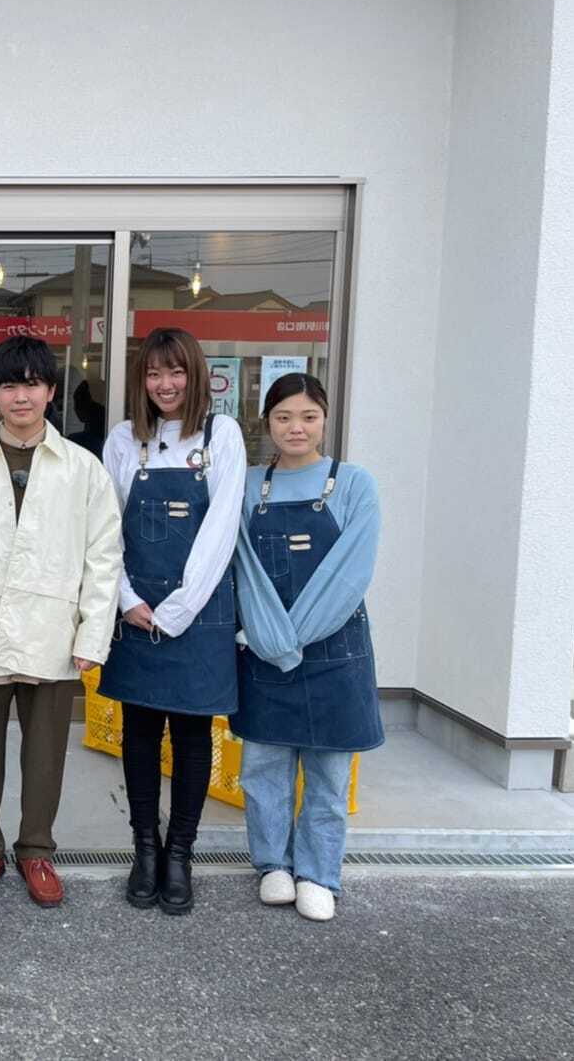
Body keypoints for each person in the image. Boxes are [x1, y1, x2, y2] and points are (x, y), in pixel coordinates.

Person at [0, 336, 122, 908]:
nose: (21, 397)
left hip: (53, 631)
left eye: (32, 384)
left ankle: (36, 849)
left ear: (51, 391)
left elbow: (103, 559)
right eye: (9, 385)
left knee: (46, 751)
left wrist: (92, 634)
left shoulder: (83, 469)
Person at [98, 327, 246, 916]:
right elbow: (104, 530)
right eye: (154, 373)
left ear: (196, 374)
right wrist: (125, 599)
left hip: (199, 612)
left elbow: (222, 530)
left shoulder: (221, 436)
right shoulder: (123, 440)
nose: (165, 384)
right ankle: (145, 849)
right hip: (135, 613)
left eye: (176, 371)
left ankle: (180, 853)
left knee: (191, 735)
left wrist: (179, 609)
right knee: (138, 732)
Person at [231, 372, 382, 922]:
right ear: (266, 422)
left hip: (332, 652)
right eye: (283, 417)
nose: (296, 427)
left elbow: (349, 575)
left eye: (308, 416)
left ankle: (319, 873)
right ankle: (272, 863)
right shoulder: (249, 485)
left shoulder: (354, 484)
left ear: (325, 420)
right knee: (262, 767)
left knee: (329, 773)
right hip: (264, 647)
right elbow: (242, 571)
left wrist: (283, 639)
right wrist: (267, 636)